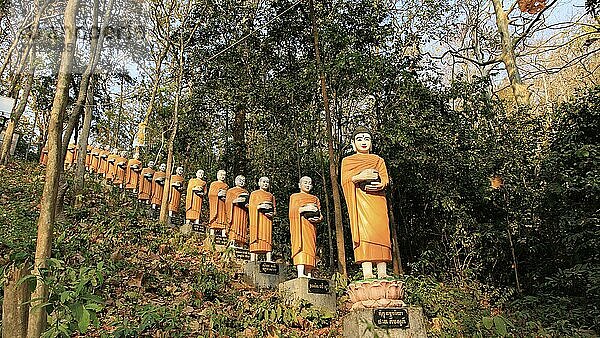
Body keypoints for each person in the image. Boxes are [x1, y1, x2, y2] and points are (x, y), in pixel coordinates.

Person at [340, 126, 391, 280]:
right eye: (359, 139)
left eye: (366, 138)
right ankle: (367, 271)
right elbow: (345, 180)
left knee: (381, 233)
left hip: (378, 200)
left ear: (371, 142)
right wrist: (360, 176)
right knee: (365, 234)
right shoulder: (348, 161)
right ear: (353, 143)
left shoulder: (378, 160)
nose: (363, 142)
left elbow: (385, 178)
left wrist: (381, 184)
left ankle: (383, 271)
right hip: (360, 202)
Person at [289, 176, 323, 278]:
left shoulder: (315, 199)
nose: (308, 185)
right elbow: (292, 211)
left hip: (311, 226)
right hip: (299, 226)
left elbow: (320, 214)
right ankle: (300, 272)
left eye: (309, 183)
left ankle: (309, 273)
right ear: (299, 185)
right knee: (301, 246)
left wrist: (318, 219)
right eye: (305, 183)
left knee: (311, 248)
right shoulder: (294, 197)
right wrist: (303, 209)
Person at [249, 176, 276, 262]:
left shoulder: (271, 196)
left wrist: (272, 213)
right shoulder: (254, 194)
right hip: (257, 219)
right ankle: (253, 258)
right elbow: (251, 206)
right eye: (263, 182)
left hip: (267, 220)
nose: (265, 184)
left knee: (267, 237)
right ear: (259, 183)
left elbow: (274, 209)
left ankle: (268, 258)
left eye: (267, 182)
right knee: (256, 235)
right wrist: (259, 206)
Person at [225, 175, 250, 247]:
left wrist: (247, 205)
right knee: (234, 225)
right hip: (235, 211)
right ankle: (232, 242)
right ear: (236, 181)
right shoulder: (231, 191)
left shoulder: (246, 192)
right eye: (240, 180)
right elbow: (227, 202)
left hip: (243, 212)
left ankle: (241, 244)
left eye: (243, 181)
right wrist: (235, 201)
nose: (242, 182)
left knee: (242, 226)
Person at [208, 170, 229, 237]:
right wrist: (218, 194)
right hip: (215, 203)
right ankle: (212, 233)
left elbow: (228, 196)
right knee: (215, 216)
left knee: (223, 217)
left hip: (222, 204)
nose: (222, 176)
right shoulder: (214, 184)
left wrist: (225, 195)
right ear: (217, 175)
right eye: (221, 175)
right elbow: (210, 194)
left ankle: (223, 234)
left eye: (224, 175)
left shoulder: (226, 185)